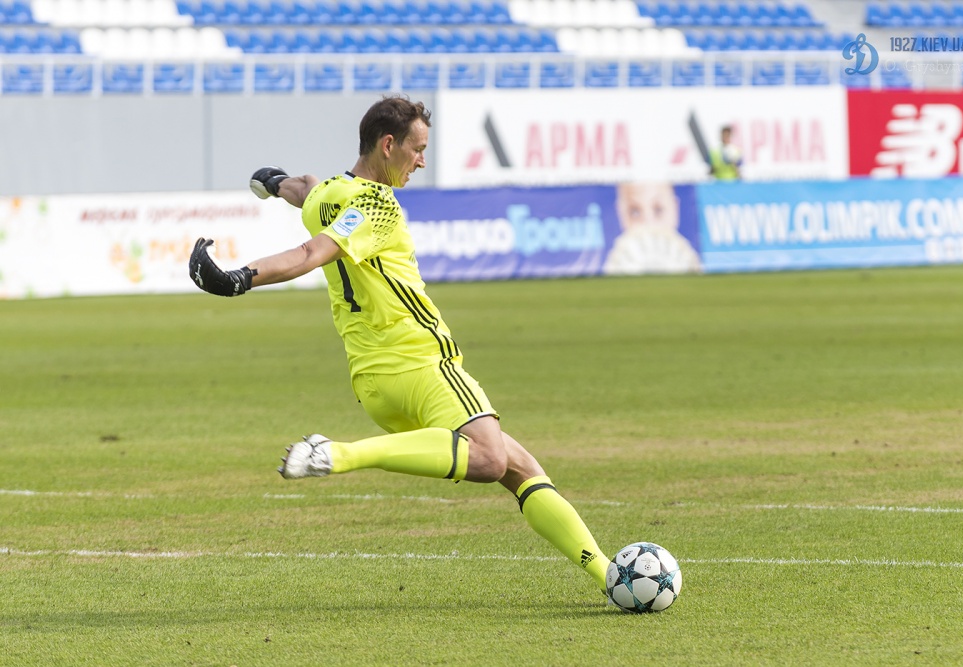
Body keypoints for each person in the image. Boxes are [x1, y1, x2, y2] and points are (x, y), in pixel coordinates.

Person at [187, 95, 612, 594]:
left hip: (372, 384)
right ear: (388, 145)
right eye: (418, 149)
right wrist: (239, 278)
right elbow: (311, 253)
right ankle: (338, 454)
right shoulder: (377, 205)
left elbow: (304, 189)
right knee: (490, 460)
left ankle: (608, 575)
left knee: (522, 470)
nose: (421, 162)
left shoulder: (329, 194)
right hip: (421, 363)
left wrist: (273, 182)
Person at [603, 181, 701, 275]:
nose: (648, 222)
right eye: (634, 212)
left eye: (658, 210)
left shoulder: (689, 259)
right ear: (620, 211)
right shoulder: (614, 261)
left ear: (675, 207)